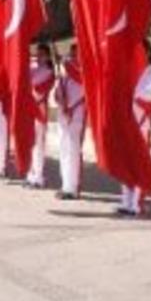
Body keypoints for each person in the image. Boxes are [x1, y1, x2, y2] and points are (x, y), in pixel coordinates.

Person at [119, 40, 151, 215]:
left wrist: (131, 94)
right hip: (127, 121)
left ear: (149, 53)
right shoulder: (130, 70)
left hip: (141, 122)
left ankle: (137, 203)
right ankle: (126, 201)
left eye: (143, 51)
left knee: (139, 163)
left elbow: (148, 98)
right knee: (126, 163)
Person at [55, 44, 86, 200]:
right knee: (63, 149)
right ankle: (65, 184)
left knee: (73, 150)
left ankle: (73, 187)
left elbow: (79, 77)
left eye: (76, 54)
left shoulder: (85, 72)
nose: (73, 56)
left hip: (77, 113)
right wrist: (60, 99)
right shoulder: (65, 75)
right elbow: (57, 94)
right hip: (63, 113)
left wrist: (63, 62)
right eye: (72, 53)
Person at [25, 43, 56, 188]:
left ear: (47, 56)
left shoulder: (48, 72)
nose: (38, 56)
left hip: (39, 109)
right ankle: (31, 174)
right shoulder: (33, 68)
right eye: (37, 54)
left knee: (38, 144)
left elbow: (33, 84)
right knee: (30, 143)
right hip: (29, 109)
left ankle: (39, 177)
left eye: (41, 54)